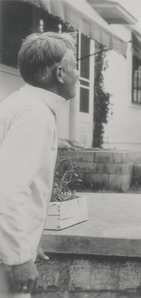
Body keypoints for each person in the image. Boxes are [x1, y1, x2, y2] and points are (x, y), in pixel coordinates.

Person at [0, 31, 79, 297]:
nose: (78, 74)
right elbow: (7, 190)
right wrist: (19, 256)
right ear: (59, 73)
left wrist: (28, 241)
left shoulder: (23, 104)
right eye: (75, 66)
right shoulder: (34, 114)